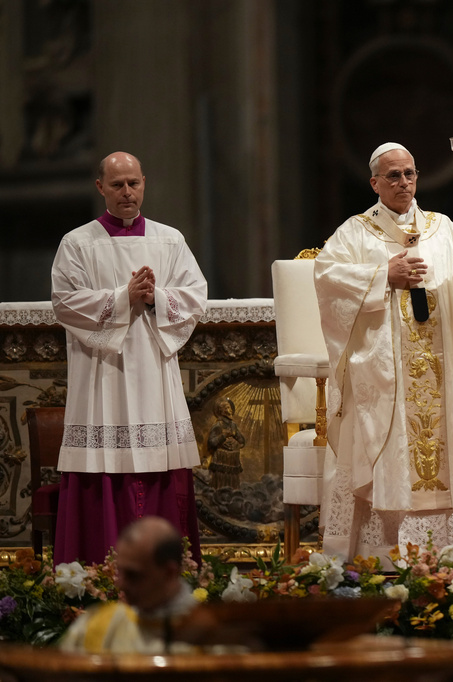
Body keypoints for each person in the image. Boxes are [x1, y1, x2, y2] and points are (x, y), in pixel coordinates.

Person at [314, 142, 453, 561]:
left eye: (410, 173)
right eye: (393, 175)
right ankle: (383, 555)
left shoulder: (445, 228)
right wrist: (382, 277)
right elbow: (327, 280)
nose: (404, 182)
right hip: (385, 373)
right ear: (375, 182)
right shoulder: (355, 232)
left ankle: (451, 555)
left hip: (439, 368)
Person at [51, 152, 207, 566]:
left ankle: (171, 569)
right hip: (102, 374)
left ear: (144, 184)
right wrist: (124, 298)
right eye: (117, 184)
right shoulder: (78, 243)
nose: (127, 192)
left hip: (154, 370)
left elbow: (195, 297)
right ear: (100, 187)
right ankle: (94, 570)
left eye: (133, 183)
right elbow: (64, 303)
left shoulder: (169, 240)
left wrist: (154, 296)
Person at [60, 516, 198, 653]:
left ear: (169, 573)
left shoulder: (209, 636)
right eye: (120, 572)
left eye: (133, 575)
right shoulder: (95, 626)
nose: (121, 584)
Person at [207, 397, 246, 489]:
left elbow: (242, 442)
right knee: (221, 481)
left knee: (233, 482)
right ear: (221, 411)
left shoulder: (233, 425)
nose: (230, 411)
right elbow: (211, 443)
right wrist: (223, 436)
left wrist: (236, 439)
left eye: (230, 408)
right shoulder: (218, 425)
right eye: (227, 408)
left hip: (232, 460)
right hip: (221, 459)